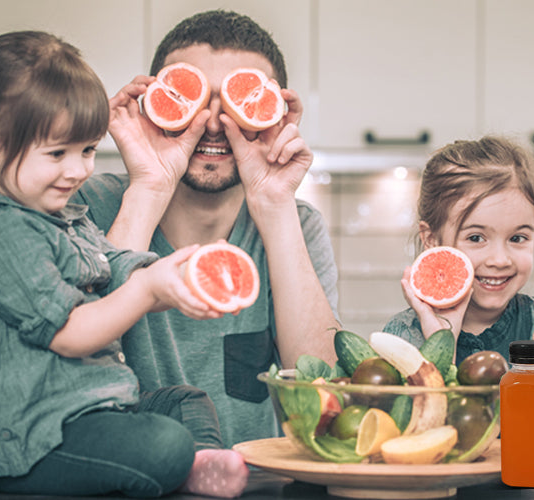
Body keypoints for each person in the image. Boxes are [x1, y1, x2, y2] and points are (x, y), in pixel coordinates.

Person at [0, 30, 248, 497]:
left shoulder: (63, 216)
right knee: (162, 444)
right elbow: (71, 334)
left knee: (184, 400)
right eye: (57, 154)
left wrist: (170, 277)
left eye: (88, 150)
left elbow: (111, 266)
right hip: (28, 440)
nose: (78, 171)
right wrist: (146, 291)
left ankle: (192, 468)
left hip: (83, 412)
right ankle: (179, 463)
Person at [71, 10, 341, 447]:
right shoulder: (87, 209)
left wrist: (274, 205)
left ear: (277, 114)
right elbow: (71, 361)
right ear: (151, 102)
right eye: (193, 98)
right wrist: (150, 187)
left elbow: (325, 394)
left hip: (256, 485)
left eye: (239, 102)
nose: (214, 123)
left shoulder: (298, 224)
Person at [382, 136, 534, 378]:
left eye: (517, 238)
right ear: (431, 239)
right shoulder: (402, 335)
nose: (500, 260)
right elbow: (419, 415)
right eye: (476, 238)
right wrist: (441, 345)